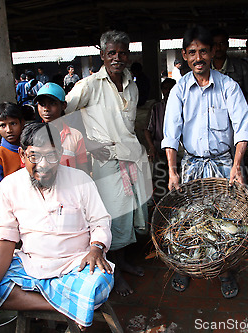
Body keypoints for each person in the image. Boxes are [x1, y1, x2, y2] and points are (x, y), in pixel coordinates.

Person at [0, 122, 114, 330]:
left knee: (100, 287)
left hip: (76, 264)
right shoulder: (9, 186)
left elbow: (100, 221)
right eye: (34, 156)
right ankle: (67, 306)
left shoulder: (81, 180)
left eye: (51, 156)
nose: (43, 165)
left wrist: (96, 248)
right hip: (32, 265)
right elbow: (6, 237)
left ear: (60, 154)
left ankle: (75, 302)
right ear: (22, 155)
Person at [161, 26, 248, 298]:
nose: (198, 57)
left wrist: (237, 167)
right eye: (192, 52)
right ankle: (186, 266)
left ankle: (225, 271)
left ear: (213, 52)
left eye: (203, 50)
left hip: (225, 164)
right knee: (190, 217)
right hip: (192, 164)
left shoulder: (228, 86)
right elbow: (170, 134)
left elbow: (243, 129)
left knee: (225, 217)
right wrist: (172, 172)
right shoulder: (180, 90)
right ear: (185, 56)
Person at [65, 30, 152, 297]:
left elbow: (130, 125)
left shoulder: (132, 86)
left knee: (130, 214)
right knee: (113, 215)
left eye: (122, 53)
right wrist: (89, 143)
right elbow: (64, 113)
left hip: (132, 157)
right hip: (108, 160)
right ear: (102, 55)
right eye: (111, 53)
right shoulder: (89, 85)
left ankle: (123, 261)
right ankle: (112, 269)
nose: (117, 58)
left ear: (128, 55)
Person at [34, 82, 88, 173]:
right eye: (42, 104)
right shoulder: (32, 135)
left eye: (52, 103)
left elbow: (82, 168)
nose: (46, 109)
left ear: (63, 105)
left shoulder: (75, 136)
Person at [211, 28, 248, 124]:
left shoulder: (241, 68)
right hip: (212, 124)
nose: (218, 48)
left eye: (221, 43)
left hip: (236, 122)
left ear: (227, 45)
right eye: (215, 44)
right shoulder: (204, 70)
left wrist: (247, 125)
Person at [0, 102, 25, 214]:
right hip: (14, 211)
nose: (9, 130)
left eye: (13, 123)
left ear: (22, 123)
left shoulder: (31, 149)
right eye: (3, 125)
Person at [144, 78, 176, 201]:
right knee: (161, 184)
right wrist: (151, 147)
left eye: (171, 88)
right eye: (165, 88)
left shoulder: (183, 105)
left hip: (178, 153)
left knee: (179, 185)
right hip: (160, 152)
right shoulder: (156, 108)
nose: (168, 91)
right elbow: (147, 129)